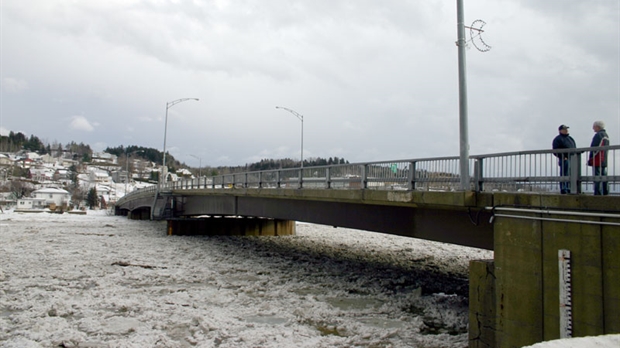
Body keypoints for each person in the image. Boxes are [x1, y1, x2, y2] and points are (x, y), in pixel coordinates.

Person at [552, 125, 576, 194]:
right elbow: (555, 150)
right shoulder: (558, 139)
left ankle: (570, 188)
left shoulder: (570, 139)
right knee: (564, 173)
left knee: (571, 174)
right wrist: (562, 157)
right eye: (564, 129)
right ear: (560, 130)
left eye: (566, 129)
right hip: (564, 159)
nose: (566, 130)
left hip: (572, 158)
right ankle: (564, 188)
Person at [588, 120, 610, 195]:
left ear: (598, 127)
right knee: (604, 176)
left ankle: (598, 192)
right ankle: (605, 191)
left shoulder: (598, 135)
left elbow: (595, 148)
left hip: (597, 159)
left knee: (597, 177)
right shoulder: (606, 135)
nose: (593, 128)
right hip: (604, 159)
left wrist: (591, 157)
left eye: (594, 127)